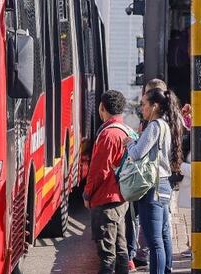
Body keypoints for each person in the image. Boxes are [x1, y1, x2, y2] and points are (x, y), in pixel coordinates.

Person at [128, 88, 184, 274]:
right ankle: (166, 270)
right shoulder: (166, 124)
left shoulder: (154, 126)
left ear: (155, 106)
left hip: (152, 187)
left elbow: (136, 154)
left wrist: (128, 142)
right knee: (164, 234)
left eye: (144, 104)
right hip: (164, 184)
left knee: (154, 241)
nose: (141, 108)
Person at [84, 90, 135, 274]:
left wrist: (87, 193)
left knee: (107, 255)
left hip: (106, 200)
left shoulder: (108, 135)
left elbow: (99, 171)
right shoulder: (126, 130)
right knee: (121, 249)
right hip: (122, 198)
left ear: (102, 108)